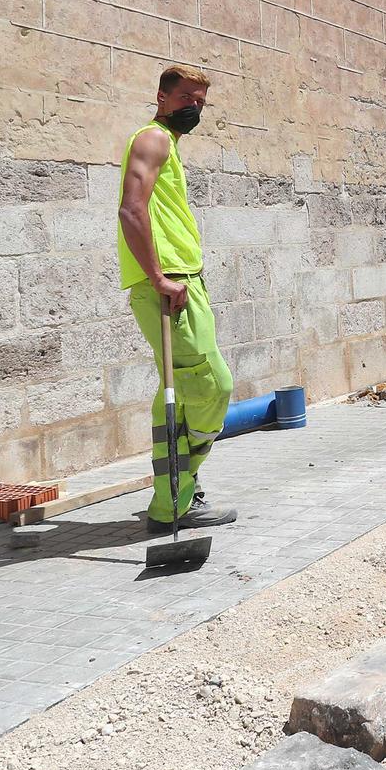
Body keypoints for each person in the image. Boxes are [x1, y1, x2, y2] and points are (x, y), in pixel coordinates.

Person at [117, 65, 238, 533]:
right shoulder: (153, 139)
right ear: (162, 97)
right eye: (187, 97)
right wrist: (159, 277)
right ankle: (177, 495)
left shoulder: (169, 144)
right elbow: (131, 210)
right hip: (168, 282)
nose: (194, 107)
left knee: (180, 392)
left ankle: (176, 495)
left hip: (182, 278)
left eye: (201, 102)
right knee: (213, 385)